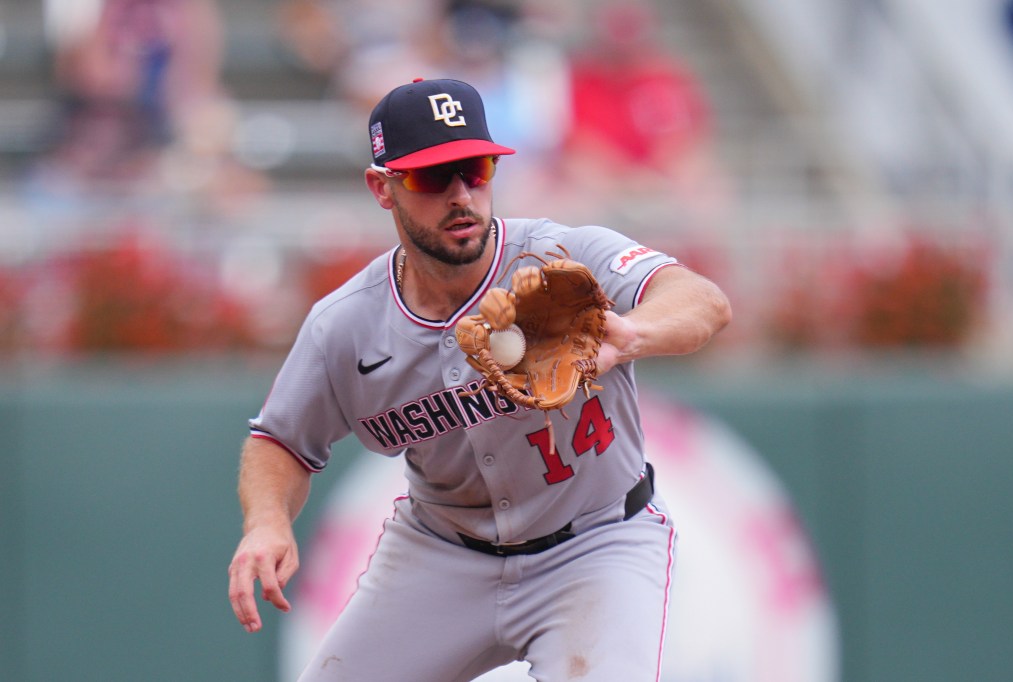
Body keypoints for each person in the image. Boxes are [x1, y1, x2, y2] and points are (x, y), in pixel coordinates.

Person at [228, 77, 731, 681]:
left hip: (598, 546)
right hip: (442, 554)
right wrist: (267, 522)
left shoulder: (562, 258)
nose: (461, 194)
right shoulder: (346, 325)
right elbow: (279, 440)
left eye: (475, 168)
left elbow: (701, 301)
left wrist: (630, 335)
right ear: (382, 188)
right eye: (431, 177)